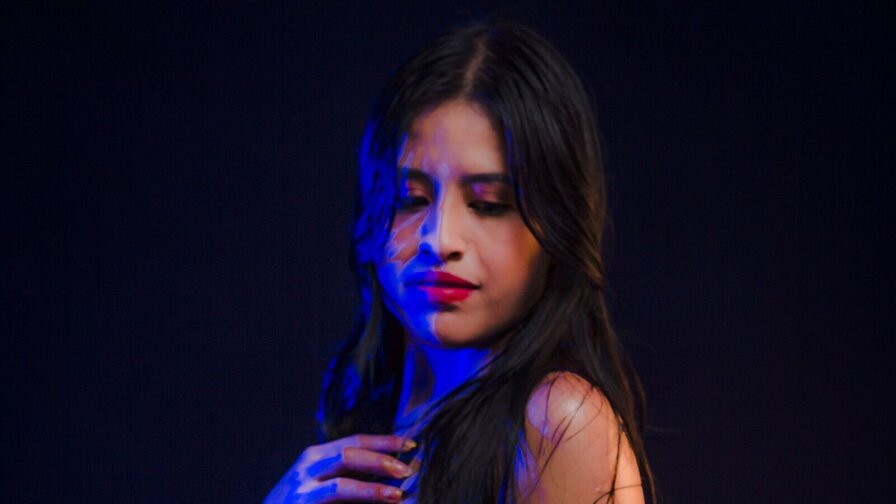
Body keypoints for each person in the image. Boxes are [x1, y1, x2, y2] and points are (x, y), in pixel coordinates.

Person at [265, 21, 655, 503]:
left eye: (489, 204)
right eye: (411, 199)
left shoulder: (556, 421)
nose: (439, 239)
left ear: (558, 226)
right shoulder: (370, 416)